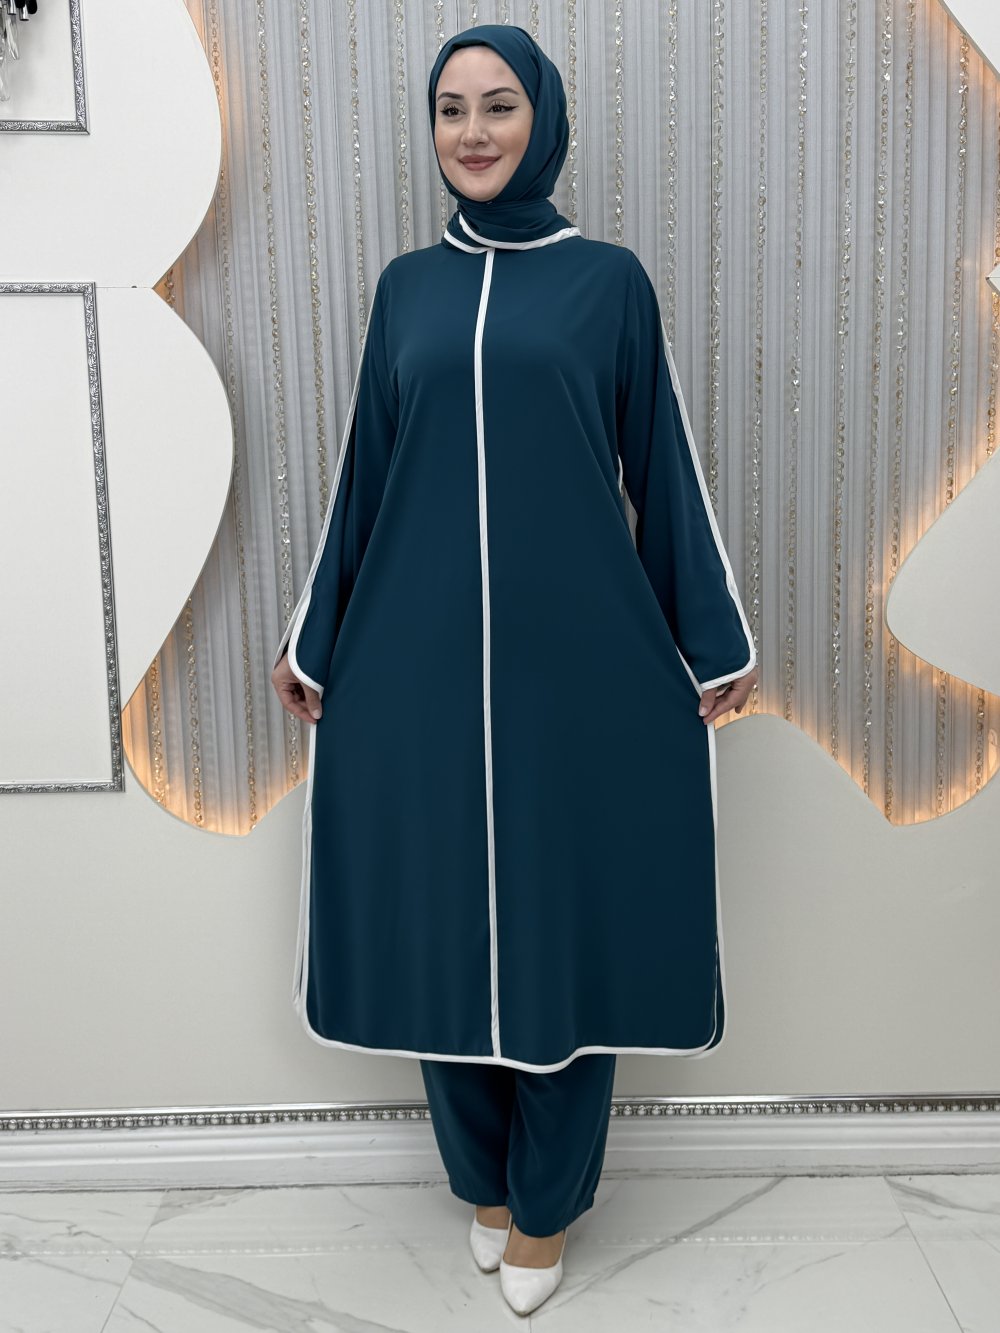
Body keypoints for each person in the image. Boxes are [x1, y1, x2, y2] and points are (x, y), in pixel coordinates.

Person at [271, 24, 757, 1316]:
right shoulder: (405, 292)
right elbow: (366, 475)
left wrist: (714, 638)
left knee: (563, 937)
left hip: (576, 671)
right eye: (451, 108)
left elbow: (660, 463)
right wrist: (317, 636)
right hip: (415, 662)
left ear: (542, 118)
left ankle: (546, 1203)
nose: (473, 131)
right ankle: (480, 1184)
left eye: (498, 105)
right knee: (440, 926)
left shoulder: (608, 284)